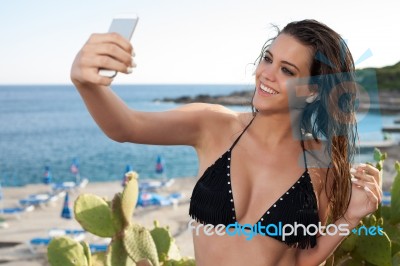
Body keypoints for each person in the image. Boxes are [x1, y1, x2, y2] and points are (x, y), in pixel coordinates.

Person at [71, 19, 382, 266]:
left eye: (287, 70)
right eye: (268, 58)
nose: (266, 74)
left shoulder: (320, 162)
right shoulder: (214, 126)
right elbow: (127, 126)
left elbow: (302, 259)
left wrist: (349, 218)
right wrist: (85, 83)